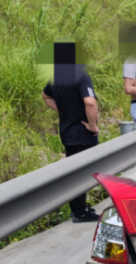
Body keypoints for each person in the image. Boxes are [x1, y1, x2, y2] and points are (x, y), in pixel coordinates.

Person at [41, 65, 101, 223]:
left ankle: (79, 208)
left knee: (76, 171)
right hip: (83, 132)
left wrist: (63, 110)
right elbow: (90, 103)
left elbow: (45, 96)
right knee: (82, 173)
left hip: (67, 132)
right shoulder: (81, 77)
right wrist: (92, 125)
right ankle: (80, 212)